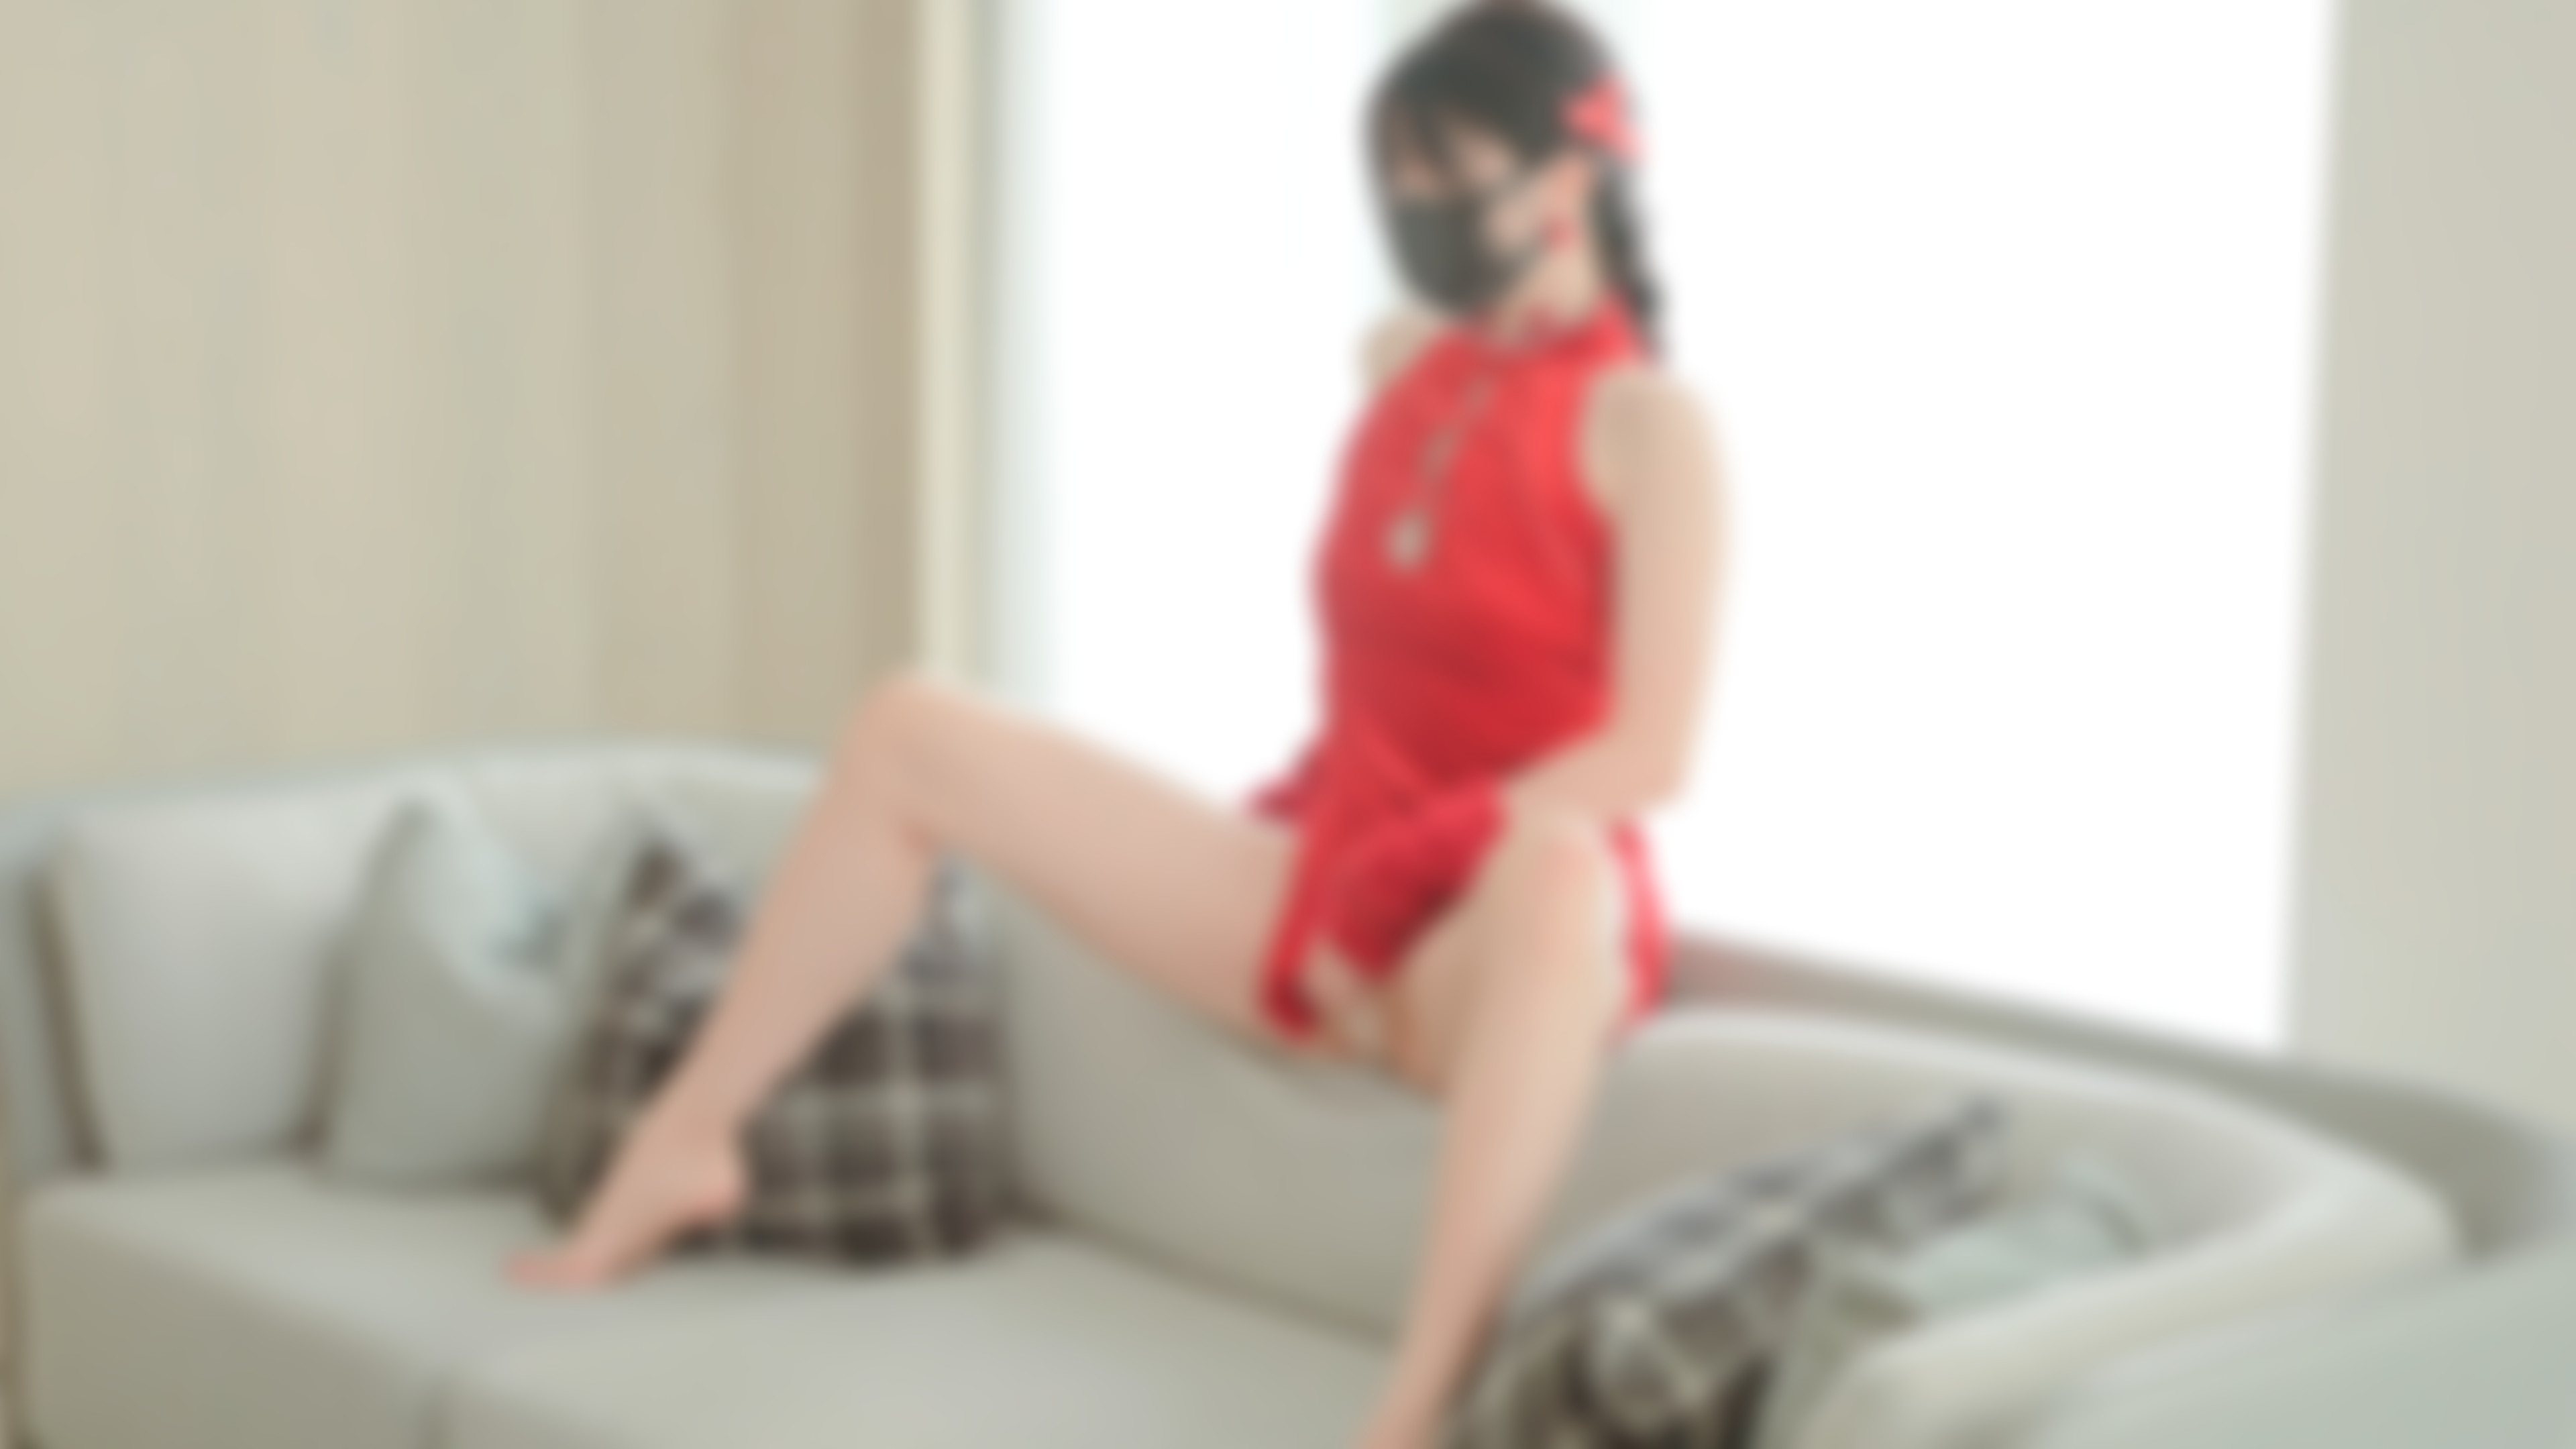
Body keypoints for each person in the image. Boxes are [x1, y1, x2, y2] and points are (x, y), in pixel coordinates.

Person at [505, 2, 1726, 1446]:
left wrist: (1397, 890)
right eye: (1394, 180)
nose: (1413, 210)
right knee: (909, 729)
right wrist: (1339, 866)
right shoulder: (1405, 366)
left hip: (1492, 935)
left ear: (1570, 175)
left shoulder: (1656, 430)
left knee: (1562, 880)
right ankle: (687, 1138)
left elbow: (1649, 758)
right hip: (1331, 881)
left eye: (1445, 173)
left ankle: (1412, 1408)